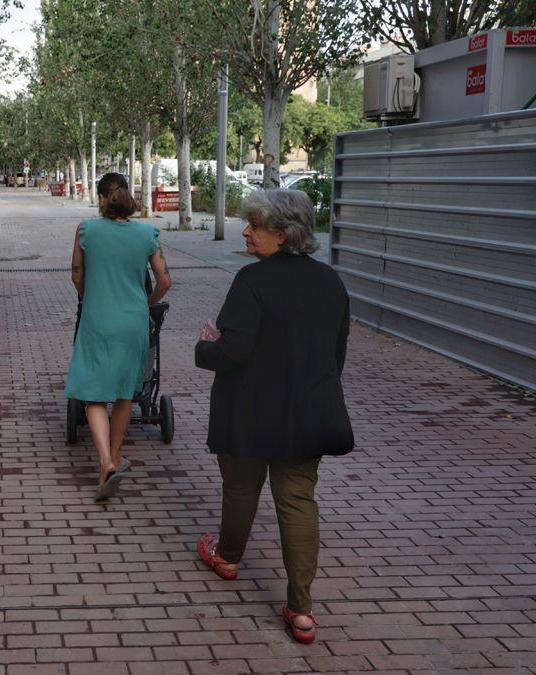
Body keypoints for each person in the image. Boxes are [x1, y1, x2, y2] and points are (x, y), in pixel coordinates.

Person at [193, 188, 353, 644]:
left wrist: (205, 347)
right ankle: (301, 609)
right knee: (298, 500)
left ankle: (227, 556)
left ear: (282, 235)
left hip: (250, 411)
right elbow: (334, 355)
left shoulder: (252, 281)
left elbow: (233, 349)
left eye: (256, 226)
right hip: (308, 411)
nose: (246, 231)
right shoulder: (331, 282)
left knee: (241, 487)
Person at [65, 172, 171, 501]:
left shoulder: (86, 231)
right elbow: (165, 281)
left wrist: (89, 295)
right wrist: (144, 304)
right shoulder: (147, 233)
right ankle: (115, 454)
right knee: (125, 392)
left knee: (95, 393)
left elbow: (76, 274)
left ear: (102, 199)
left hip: (97, 317)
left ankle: (106, 462)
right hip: (133, 322)